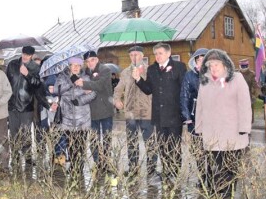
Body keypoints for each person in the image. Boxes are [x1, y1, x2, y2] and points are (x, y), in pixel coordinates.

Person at [195, 49, 251, 196]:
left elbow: (245, 104)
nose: (213, 68)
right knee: (216, 165)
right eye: (210, 65)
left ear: (225, 65)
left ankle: (228, 193)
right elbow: (199, 105)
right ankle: (218, 190)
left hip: (232, 131)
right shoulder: (204, 81)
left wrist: (244, 127)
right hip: (211, 132)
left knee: (230, 166)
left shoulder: (237, 78)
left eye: (216, 65)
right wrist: (199, 127)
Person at [133, 42, 187, 185]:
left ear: (169, 53)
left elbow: (184, 91)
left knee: (174, 146)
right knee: (163, 147)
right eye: (155, 54)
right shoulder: (152, 69)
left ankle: (175, 174)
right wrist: (138, 79)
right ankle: (166, 172)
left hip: (175, 115)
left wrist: (185, 112)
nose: (157, 56)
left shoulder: (179, 67)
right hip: (159, 115)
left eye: (160, 53)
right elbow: (148, 89)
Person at [113, 46, 153, 183]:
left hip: (147, 112)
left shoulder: (150, 70)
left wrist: (140, 75)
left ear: (142, 55)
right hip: (130, 113)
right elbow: (118, 89)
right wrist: (117, 99)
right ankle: (133, 169)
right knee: (131, 143)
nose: (134, 57)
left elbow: (152, 88)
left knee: (150, 143)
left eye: (136, 54)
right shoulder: (125, 72)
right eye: (131, 55)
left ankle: (152, 171)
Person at [52, 56, 96, 180]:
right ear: (69, 66)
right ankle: (73, 167)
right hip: (67, 117)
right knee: (70, 145)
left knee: (81, 145)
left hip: (83, 117)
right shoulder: (62, 77)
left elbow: (93, 93)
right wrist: (72, 83)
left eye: (78, 65)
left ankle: (79, 168)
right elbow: (56, 90)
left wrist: (80, 100)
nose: (76, 67)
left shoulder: (86, 77)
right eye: (73, 65)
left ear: (81, 66)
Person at [74, 50, 114, 175]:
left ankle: (106, 163)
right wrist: (81, 87)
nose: (89, 63)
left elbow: (100, 85)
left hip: (105, 110)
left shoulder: (105, 70)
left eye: (92, 60)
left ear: (97, 59)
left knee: (106, 139)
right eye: (87, 61)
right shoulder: (84, 72)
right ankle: (98, 163)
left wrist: (85, 84)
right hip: (90, 112)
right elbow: (75, 83)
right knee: (93, 140)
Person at [6, 46, 42, 166]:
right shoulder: (12, 64)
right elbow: (6, 83)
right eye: (24, 54)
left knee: (26, 133)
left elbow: (37, 85)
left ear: (32, 55)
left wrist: (28, 75)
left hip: (26, 106)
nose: (25, 56)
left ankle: (27, 157)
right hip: (12, 105)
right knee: (13, 133)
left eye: (28, 55)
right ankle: (15, 156)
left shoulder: (35, 68)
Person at [180, 48, 208, 134]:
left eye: (203, 60)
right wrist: (187, 117)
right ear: (195, 62)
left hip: (212, 115)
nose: (201, 62)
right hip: (195, 116)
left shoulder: (215, 74)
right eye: (198, 60)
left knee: (213, 144)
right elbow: (184, 96)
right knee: (197, 143)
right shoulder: (189, 75)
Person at [238, 58, 259, 123]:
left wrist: (254, 96)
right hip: (237, 96)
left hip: (248, 96)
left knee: (248, 113)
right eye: (242, 66)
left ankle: (248, 128)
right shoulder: (236, 73)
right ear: (240, 66)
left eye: (245, 66)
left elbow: (255, 87)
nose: (244, 68)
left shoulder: (251, 74)